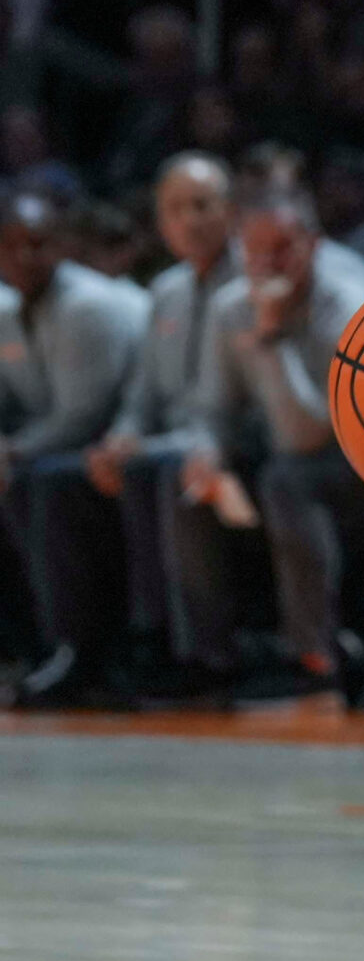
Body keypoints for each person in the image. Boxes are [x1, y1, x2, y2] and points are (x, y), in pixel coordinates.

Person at [178, 185, 364, 703]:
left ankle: (311, 655)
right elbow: (211, 408)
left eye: (283, 247)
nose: (268, 263)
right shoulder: (229, 307)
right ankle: (207, 658)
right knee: (182, 481)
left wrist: (271, 338)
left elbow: (309, 435)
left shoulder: (349, 306)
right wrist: (206, 452)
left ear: (313, 244)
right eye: (255, 250)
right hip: (287, 451)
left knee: (287, 481)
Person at [83, 154, 238, 698]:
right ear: (161, 222)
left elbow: (237, 406)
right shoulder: (166, 291)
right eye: (175, 209)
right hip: (169, 443)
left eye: (202, 205)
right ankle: (123, 641)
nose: (190, 220)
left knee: (169, 471)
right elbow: (142, 393)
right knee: (103, 467)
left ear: (229, 210)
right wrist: (122, 434)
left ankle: (204, 653)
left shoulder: (251, 282)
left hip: (233, 445)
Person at [0, 189, 148, 705]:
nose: (25, 256)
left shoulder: (87, 306)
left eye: (38, 243)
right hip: (71, 449)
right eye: (11, 245)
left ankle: (77, 650)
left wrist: (11, 451)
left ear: (62, 245)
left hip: (123, 440)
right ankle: (26, 648)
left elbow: (82, 417)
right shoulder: (9, 311)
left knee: (39, 484)